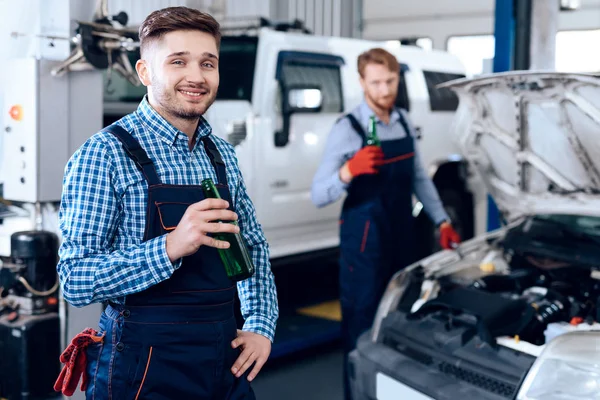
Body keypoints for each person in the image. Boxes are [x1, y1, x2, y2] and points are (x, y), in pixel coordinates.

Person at [55, 7, 278, 399]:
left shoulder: (220, 153)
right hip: (142, 365)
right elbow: (75, 278)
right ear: (144, 72)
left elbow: (254, 246)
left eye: (207, 63)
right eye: (178, 61)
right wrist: (171, 246)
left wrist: (260, 324)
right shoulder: (104, 154)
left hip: (222, 355)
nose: (196, 76)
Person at [311, 47, 460, 399]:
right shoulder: (348, 128)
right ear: (362, 82)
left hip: (402, 236)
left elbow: (420, 178)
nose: (384, 89)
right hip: (363, 241)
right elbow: (318, 194)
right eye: (376, 82)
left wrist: (441, 220)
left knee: (401, 319)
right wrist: (349, 170)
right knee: (361, 322)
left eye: (390, 81)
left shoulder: (405, 120)